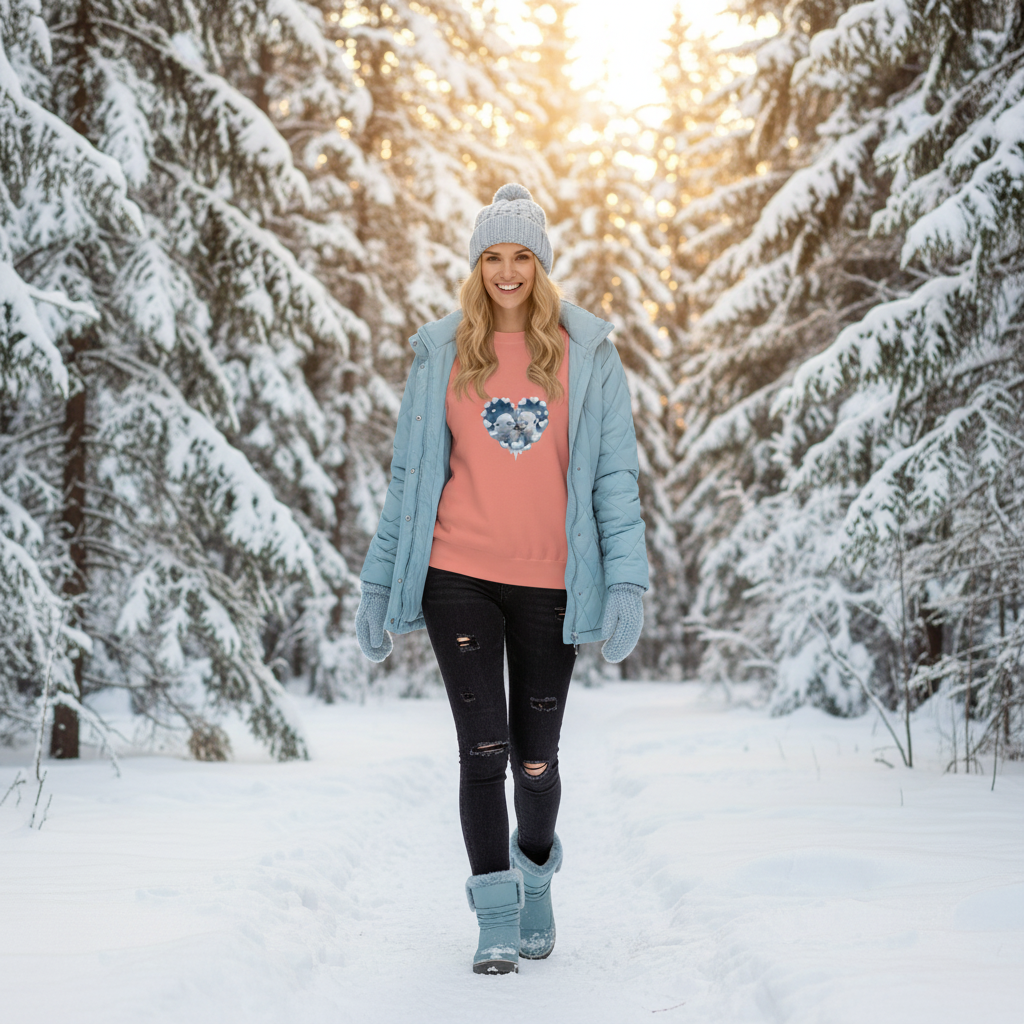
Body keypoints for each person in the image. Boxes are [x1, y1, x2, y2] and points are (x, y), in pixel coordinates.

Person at [355, 183, 648, 974]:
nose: (508, 271)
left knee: (535, 757)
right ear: (476, 264)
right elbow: (410, 480)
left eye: (523, 256)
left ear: (542, 265)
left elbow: (614, 479)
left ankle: (536, 871)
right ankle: (493, 912)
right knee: (482, 750)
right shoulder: (441, 353)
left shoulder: (587, 354)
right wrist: (379, 582)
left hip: (552, 584)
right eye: (494, 256)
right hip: (459, 574)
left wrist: (627, 581)